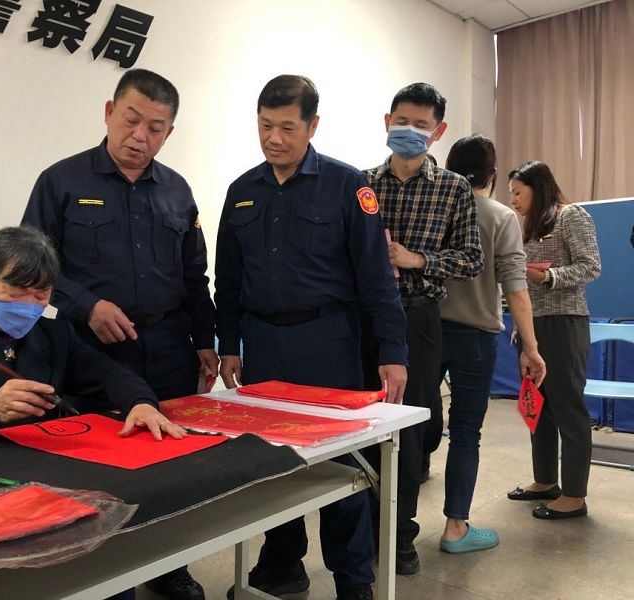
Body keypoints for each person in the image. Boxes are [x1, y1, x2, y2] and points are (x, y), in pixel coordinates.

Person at [22, 69, 215, 599]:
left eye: (155, 128)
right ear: (109, 112)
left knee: (173, 463)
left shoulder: (177, 191)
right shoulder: (61, 181)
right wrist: (86, 306)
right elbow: (33, 266)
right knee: (101, 465)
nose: (139, 136)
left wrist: (206, 341)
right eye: (131, 120)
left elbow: (194, 275)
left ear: (169, 133)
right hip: (92, 351)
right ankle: (105, 575)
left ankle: (169, 565)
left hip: (170, 347)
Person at [215, 75, 408, 600]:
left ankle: (353, 580)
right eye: (264, 126)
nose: (273, 138)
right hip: (263, 346)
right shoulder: (242, 191)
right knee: (275, 461)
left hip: (328, 345)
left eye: (286, 127)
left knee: (340, 465)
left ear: (312, 126)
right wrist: (228, 343)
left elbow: (376, 277)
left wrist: (392, 350)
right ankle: (282, 563)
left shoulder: (348, 186)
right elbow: (227, 279)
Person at [0, 226, 183, 443]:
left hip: (44, 462)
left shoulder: (56, 335)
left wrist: (141, 403)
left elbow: (113, 376)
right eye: (15, 292)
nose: (29, 304)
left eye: (41, 294)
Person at [360, 83, 483, 574]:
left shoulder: (453, 188)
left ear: (438, 131)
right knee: (362, 423)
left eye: (420, 125)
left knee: (411, 429)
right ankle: (363, 529)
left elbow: (471, 259)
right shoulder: (362, 184)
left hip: (418, 317)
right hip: (363, 319)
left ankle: (399, 534)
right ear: (386, 121)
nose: (408, 130)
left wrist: (417, 259)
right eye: (401, 121)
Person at [429, 135, 547, 553]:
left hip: (424, 329)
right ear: (492, 175)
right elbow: (515, 287)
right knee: (465, 431)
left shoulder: (434, 208)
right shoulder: (500, 216)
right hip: (475, 335)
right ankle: (455, 528)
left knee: (409, 423)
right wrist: (530, 347)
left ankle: (393, 524)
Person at [506, 161, 600, 520]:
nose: (513, 200)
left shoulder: (571, 215)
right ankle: (545, 480)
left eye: (518, 192)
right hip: (532, 327)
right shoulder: (529, 225)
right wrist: (521, 326)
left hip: (564, 323)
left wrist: (547, 277)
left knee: (567, 406)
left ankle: (574, 495)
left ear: (538, 187)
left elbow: (590, 266)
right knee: (537, 405)